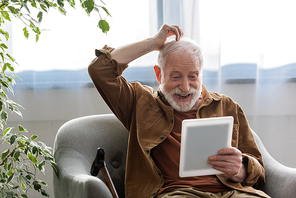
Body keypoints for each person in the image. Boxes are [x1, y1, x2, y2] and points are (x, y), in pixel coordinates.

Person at [88, 24, 270, 198]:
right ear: (159, 74)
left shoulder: (227, 106)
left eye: (193, 76)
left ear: (201, 74)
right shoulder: (140, 102)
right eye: (176, 77)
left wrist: (240, 170)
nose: (185, 87)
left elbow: (260, 170)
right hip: (176, 193)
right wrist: (153, 43)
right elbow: (100, 70)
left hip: (232, 192)